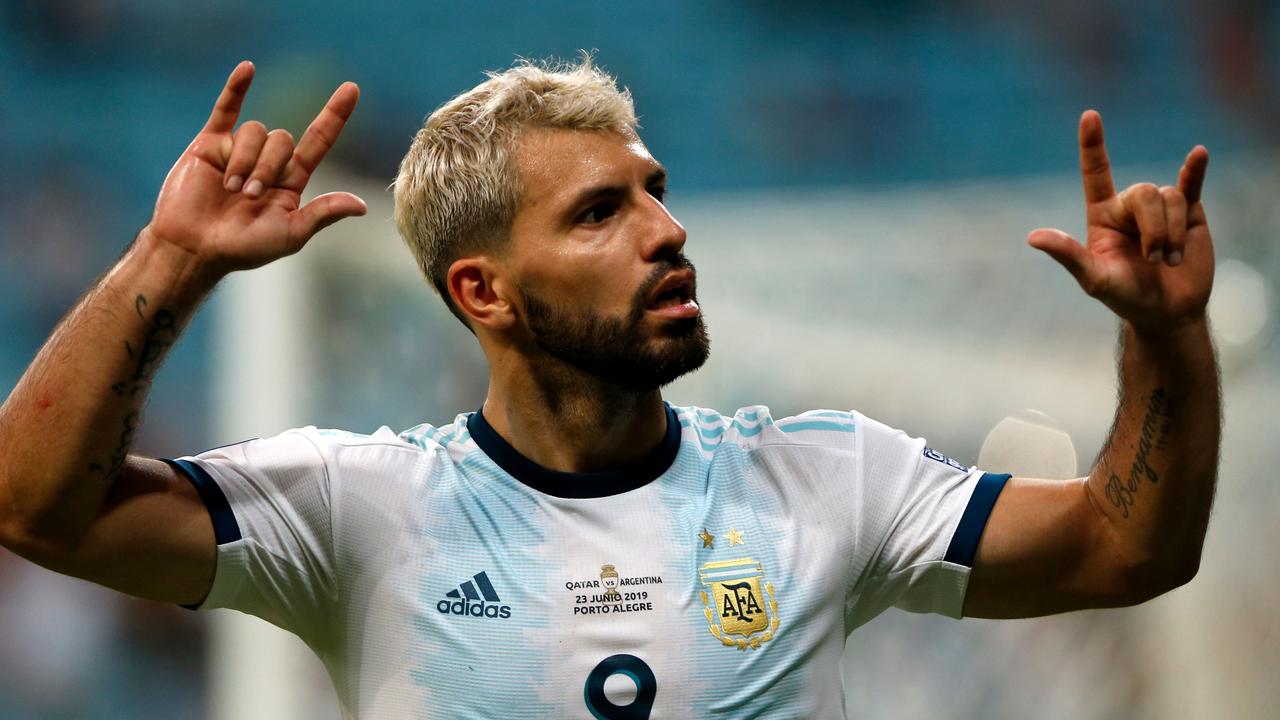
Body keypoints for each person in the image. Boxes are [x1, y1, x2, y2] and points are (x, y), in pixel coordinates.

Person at [0, 57, 1220, 719]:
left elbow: (1124, 551)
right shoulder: (353, 505)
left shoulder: (821, 478)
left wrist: (1164, 340)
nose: (667, 230)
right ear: (483, 292)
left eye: (655, 189)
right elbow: (35, 507)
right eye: (601, 212)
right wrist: (171, 260)